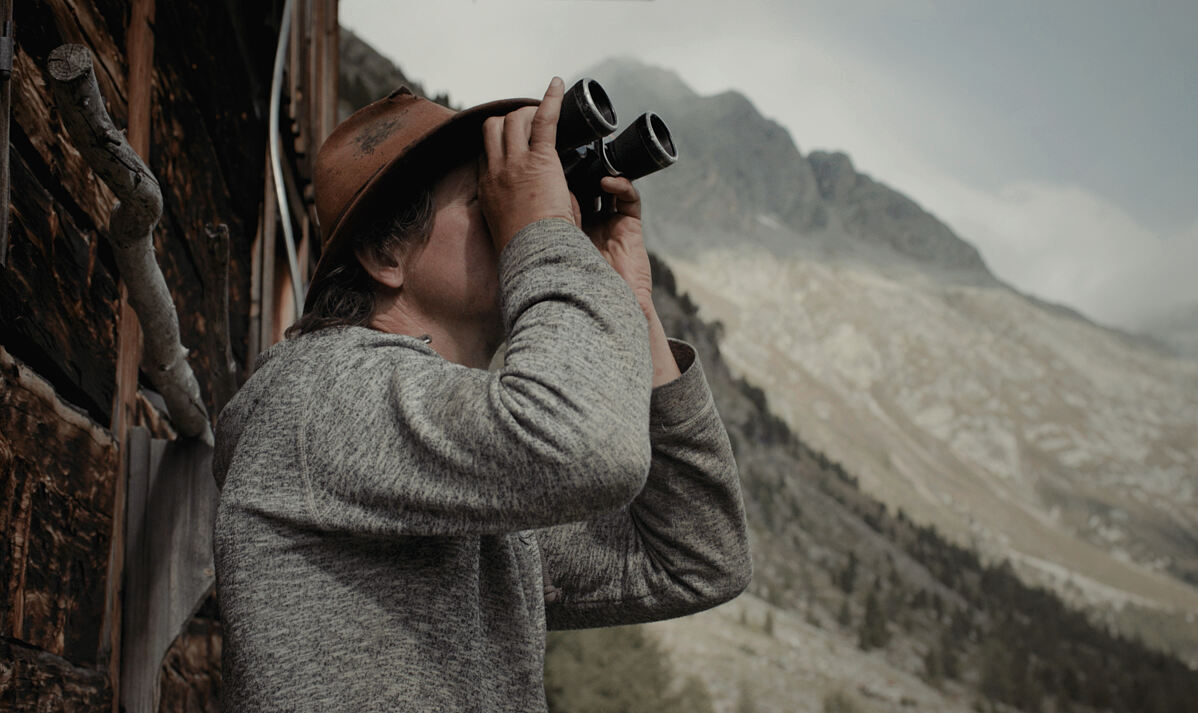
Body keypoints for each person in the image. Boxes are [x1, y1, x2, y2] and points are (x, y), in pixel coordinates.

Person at [211, 76, 752, 713]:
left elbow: (699, 557)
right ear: (385, 252)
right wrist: (544, 232)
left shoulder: (452, 470)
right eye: (487, 197)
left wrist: (629, 307)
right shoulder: (322, 395)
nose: (514, 217)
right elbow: (589, 448)